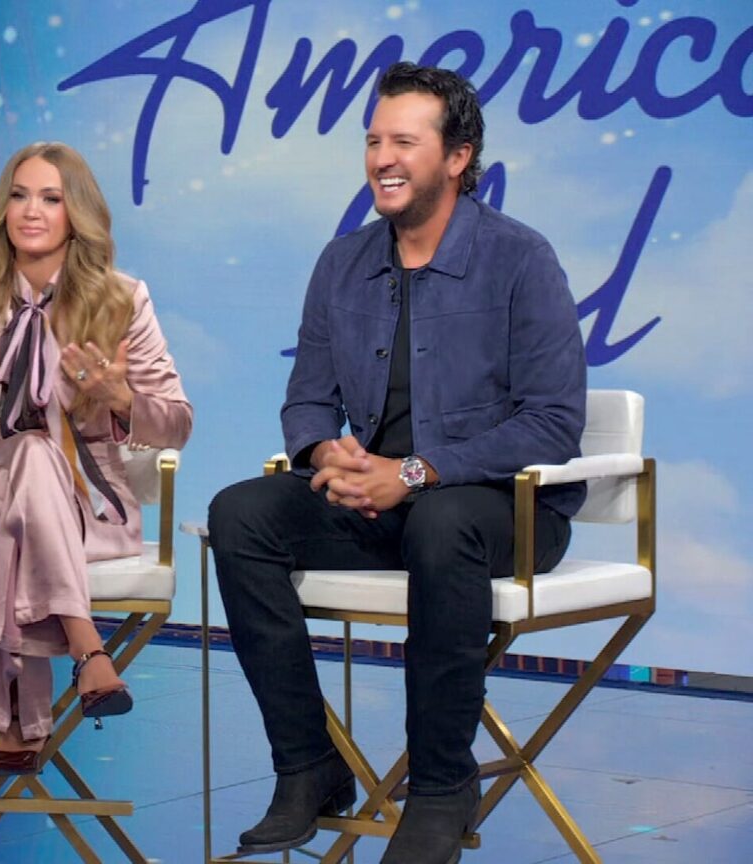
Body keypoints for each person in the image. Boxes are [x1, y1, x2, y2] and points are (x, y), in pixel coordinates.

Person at [207, 63, 585, 862]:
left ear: (457, 157)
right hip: (383, 507)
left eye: (404, 142)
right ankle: (308, 766)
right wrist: (328, 453)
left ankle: (443, 787)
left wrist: (413, 472)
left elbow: (553, 423)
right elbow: (307, 400)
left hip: (503, 511)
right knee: (240, 514)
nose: (382, 157)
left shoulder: (521, 258)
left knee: (442, 523)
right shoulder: (341, 263)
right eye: (374, 140)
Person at [0, 142, 192, 775]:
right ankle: (88, 648)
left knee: (21, 495)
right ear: (2, 209)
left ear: (76, 213)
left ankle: (16, 723)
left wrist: (120, 398)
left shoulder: (121, 300)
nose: (31, 211)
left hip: (85, 504)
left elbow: (177, 424)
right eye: (19, 195)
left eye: (51, 198)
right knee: (25, 455)